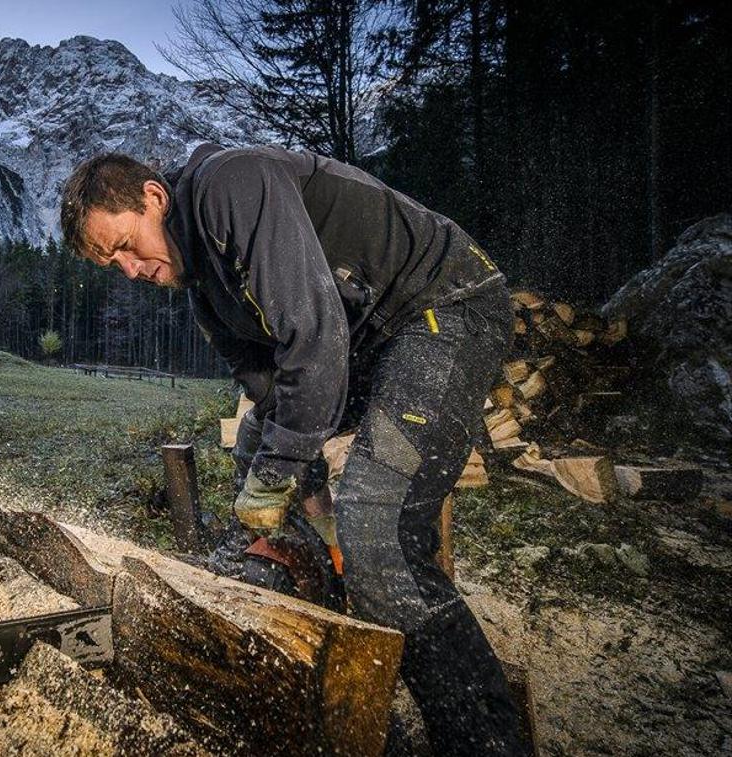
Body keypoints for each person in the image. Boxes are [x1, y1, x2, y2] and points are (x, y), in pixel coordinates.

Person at [59, 143, 529, 755]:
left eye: (124, 245)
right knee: (261, 437)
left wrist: (272, 487)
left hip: (443, 304)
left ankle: (484, 739)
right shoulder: (203, 284)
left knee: (377, 524)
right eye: (111, 263)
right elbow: (265, 385)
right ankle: (319, 591)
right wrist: (283, 490)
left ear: (153, 198)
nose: (128, 269)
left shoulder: (231, 184)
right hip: (376, 335)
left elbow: (315, 339)